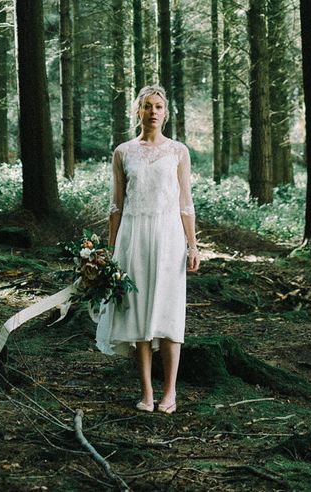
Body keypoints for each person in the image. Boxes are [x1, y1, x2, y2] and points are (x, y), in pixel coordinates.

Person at [95, 85, 200, 414]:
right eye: (146, 106)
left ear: (166, 114)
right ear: (137, 112)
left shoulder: (178, 152)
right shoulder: (123, 152)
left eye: (158, 107)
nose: (153, 112)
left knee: (168, 311)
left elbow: (185, 203)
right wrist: (112, 251)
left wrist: (193, 244)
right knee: (138, 312)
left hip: (169, 237)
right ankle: (147, 392)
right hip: (133, 236)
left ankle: (170, 392)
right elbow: (116, 205)